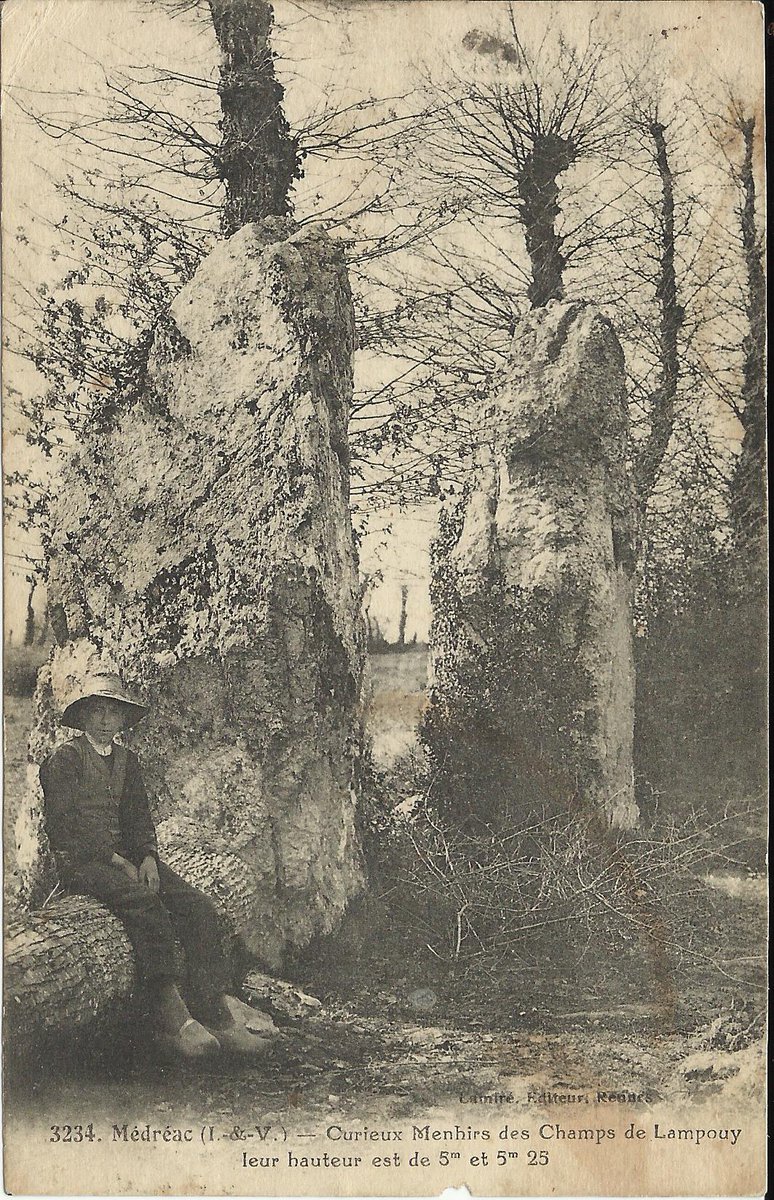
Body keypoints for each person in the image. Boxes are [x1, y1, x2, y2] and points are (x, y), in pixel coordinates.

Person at [39, 671, 273, 1061]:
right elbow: (64, 827)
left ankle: (212, 1011)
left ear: (122, 720)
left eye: (112, 712)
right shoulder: (63, 761)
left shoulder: (128, 762)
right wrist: (113, 859)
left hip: (128, 857)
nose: (104, 720)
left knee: (197, 907)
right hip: (81, 863)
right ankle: (171, 1016)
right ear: (82, 717)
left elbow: (138, 818)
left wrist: (146, 855)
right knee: (145, 906)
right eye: (97, 711)